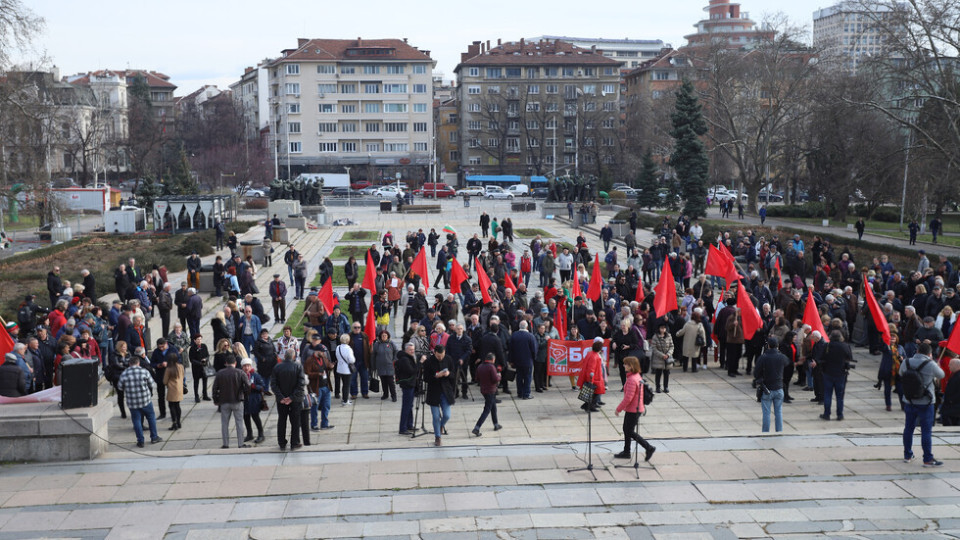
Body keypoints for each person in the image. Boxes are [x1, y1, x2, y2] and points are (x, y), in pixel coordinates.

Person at [900, 342, 945, 466]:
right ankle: (927, 458)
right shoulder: (930, 364)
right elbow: (941, 375)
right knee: (926, 430)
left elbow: (901, 373)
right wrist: (936, 365)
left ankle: (907, 455)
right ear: (930, 354)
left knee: (908, 428)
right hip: (926, 401)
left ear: (918, 351)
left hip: (909, 400)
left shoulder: (907, 362)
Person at [614, 356, 656, 461]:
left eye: (626, 364)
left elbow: (628, 398)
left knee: (630, 431)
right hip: (633, 408)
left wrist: (618, 409)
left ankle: (648, 447)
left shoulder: (632, 379)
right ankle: (626, 451)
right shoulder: (635, 376)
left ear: (631, 366)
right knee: (626, 429)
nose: (624, 366)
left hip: (634, 409)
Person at [116, 356, 163, 448]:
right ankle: (154, 437)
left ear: (129, 364)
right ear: (138, 363)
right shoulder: (144, 371)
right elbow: (151, 384)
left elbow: (120, 387)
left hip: (132, 401)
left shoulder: (124, 373)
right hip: (145, 400)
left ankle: (140, 441)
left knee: (136, 420)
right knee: (151, 418)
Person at [212, 355, 250, 449]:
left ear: (226, 363)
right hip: (237, 401)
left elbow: (214, 388)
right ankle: (240, 443)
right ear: (235, 363)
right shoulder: (240, 372)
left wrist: (216, 400)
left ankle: (225, 444)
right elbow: (247, 386)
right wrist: (244, 395)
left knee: (224, 424)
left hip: (224, 401)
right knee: (239, 423)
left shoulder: (220, 373)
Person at [271, 349, 304, 450]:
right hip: (295, 399)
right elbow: (301, 384)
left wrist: (281, 397)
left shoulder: (277, 367)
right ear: (294, 356)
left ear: (284, 356)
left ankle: (281, 443)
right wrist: (291, 397)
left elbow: (273, 384)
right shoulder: (298, 366)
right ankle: (294, 443)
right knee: (295, 421)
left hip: (281, 400)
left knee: (282, 420)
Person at [754, 337, 789, 432]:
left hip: (767, 389)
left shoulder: (763, 357)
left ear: (768, 346)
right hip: (778, 387)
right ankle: (779, 431)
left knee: (766, 413)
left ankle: (765, 432)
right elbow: (787, 363)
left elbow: (756, 372)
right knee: (778, 412)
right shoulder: (781, 357)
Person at [424, 344, 456, 446]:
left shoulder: (449, 359)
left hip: (446, 391)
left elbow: (454, 375)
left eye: (442, 356)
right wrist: (436, 376)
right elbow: (426, 378)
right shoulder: (429, 361)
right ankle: (437, 436)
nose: (440, 358)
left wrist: (448, 374)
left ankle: (441, 426)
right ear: (434, 353)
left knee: (447, 415)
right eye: (438, 356)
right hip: (434, 391)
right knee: (436, 416)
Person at [819, 330, 852, 421]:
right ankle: (840, 414)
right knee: (840, 396)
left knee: (827, 394)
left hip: (828, 373)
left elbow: (821, 358)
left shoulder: (827, 346)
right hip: (840, 373)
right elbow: (849, 357)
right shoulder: (845, 346)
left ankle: (827, 414)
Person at [472, 352, 502, 436]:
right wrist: (499, 376)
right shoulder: (491, 367)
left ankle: (496, 424)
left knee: (493, 407)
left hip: (483, 390)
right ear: (493, 359)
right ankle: (477, 428)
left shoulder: (480, 366)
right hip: (491, 390)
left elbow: (477, 378)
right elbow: (495, 379)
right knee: (487, 409)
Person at [509, 320, 538, 400]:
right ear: (527, 327)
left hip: (517, 361)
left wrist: (511, 360)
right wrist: (534, 358)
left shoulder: (514, 335)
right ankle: (526, 393)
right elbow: (534, 349)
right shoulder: (530, 336)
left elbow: (510, 349)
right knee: (528, 377)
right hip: (528, 361)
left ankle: (520, 392)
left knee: (519, 377)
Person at [241, 358, 267, 444]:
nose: (246, 368)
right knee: (246, 417)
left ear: (250, 366)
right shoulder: (240, 375)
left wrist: (254, 387)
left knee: (255, 417)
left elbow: (262, 387)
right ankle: (249, 434)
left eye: (248, 366)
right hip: (244, 400)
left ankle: (261, 434)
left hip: (254, 400)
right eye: (244, 366)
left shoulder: (255, 375)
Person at [577, 338, 607, 412]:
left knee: (594, 394)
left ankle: (588, 406)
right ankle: (589, 406)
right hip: (596, 378)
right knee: (595, 393)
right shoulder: (595, 356)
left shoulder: (590, 353)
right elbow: (591, 369)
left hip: (595, 377)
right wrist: (591, 380)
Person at [396, 341, 419, 435]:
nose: (412, 351)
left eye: (413, 350)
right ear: (406, 350)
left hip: (410, 384)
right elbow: (412, 371)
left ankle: (409, 425)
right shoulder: (405, 359)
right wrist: (420, 363)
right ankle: (403, 428)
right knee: (406, 406)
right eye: (410, 350)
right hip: (407, 385)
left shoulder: (408, 357)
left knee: (410, 406)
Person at [372, 330, 398, 401]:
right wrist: (373, 366)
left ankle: (394, 395)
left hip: (390, 366)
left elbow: (396, 351)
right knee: (383, 382)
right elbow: (373, 355)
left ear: (388, 336)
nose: (384, 337)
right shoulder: (377, 344)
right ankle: (385, 394)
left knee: (391, 382)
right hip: (380, 366)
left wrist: (394, 360)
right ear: (380, 336)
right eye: (382, 335)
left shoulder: (391, 343)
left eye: (385, 335)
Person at [162, 352, 185, 430]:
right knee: (177, 406)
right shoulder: (180, 366)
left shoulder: (168, 369)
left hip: (172, 389)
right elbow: (183, 375)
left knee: (171, 406)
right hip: (179, 388)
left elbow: (165, 381)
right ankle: (179, 421)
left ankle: (174, 422)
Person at [650, 323, 674, 393]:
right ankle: (658, 387)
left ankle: (666, 387)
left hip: (667, 358)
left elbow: (672, 346)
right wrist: (662, 355)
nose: (663, 329)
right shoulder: (655, 337)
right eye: (661, 328)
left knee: (666, 373)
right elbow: (654, 348)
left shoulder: (669, 336)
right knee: (658, 373)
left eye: (664, 328)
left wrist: (668, 354)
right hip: (658, 358)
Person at [334, 334, 356, 406]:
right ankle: (345, 400)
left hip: (340, 368)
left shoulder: (338, 347)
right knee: (346, 385)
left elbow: (337, 356)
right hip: (347, 369)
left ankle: (344, 398)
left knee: (343, 384)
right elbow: (351, 360)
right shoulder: (348, 349)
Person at [188, 334, 211, 402]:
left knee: (205, 381)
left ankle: (205, 395)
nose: (199, 340)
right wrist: (199, 363)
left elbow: (207, 355)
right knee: (196, 382)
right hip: (196, 368)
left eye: (200, 339)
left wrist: (205, 359)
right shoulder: (192, 348)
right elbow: (191, 359)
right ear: (194, 340)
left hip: (204, 367)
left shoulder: (204, 346)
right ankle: (196, 396)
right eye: (198, 339)